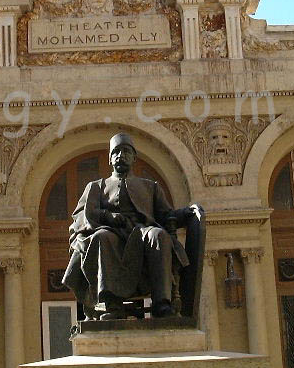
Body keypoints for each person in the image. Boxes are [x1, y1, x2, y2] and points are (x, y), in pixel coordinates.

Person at [63, 132, 203, 320]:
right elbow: (82, 217)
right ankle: (109, 304)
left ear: (134, 157)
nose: (121, 155)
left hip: (142, 232)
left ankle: (162, 303)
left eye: (126, 152)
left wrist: (187, 213)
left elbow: (166, 215)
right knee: (102, 237)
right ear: (110, 159)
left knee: (158, 235)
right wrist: (108, 216)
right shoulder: (96, 186)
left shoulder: (150, 186)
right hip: (111, 233)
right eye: (116, 152)